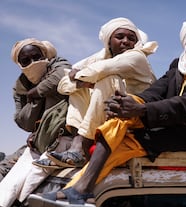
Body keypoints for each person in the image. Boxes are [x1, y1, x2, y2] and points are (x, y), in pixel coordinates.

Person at [28, 18, 186, 207]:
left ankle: (75, 192)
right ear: (185, 42)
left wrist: (142, 111)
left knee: (121, 143)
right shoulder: (176, 71)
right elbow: (153, 93)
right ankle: (80, 191)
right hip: (164, 126)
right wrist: (129, 104)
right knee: (120, 115)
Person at [42, 17, 158, 168]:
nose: (126, 41)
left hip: (135, 116)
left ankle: (81, 146)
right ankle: (77, 143)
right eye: (119, 36)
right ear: (109, 41)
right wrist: (81, 82)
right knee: (80, 89)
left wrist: (78, 76)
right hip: (111, 114)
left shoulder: (136, 56)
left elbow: (100, 70)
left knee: (107, 79)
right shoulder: (101, 56)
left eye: (131, 38)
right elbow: (63, 85)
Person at [0, 39, 71, 207]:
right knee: (4, 169)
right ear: (20, 64)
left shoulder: (58, 65)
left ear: (44, 55)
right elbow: (23, 122)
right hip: (37, 141)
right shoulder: (20, 87)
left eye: (36, 57)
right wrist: (36, 100)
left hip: (64, 137)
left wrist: (36, 92)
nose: (32, 63)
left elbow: (63, 74)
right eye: (26, 60)